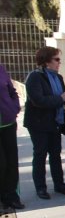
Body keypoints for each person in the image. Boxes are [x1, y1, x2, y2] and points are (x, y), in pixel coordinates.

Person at [24, 47, 65, 199]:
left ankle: (59, 185)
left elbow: (64, 96)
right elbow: (38, 100)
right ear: (47, 62)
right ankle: (40, 188)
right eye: (57, 59)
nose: (60, 62)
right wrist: (61, 98)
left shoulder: (58, 77)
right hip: (39, 123)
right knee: (40, 154)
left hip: (54, 121)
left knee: (55, 154)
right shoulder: (35, 77)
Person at [0, 65, 24, 209]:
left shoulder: (1, 69)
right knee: (1, 163)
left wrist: (14, 107)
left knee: (11, 162)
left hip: (8, 122)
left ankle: (12, 196)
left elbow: (12, 91)